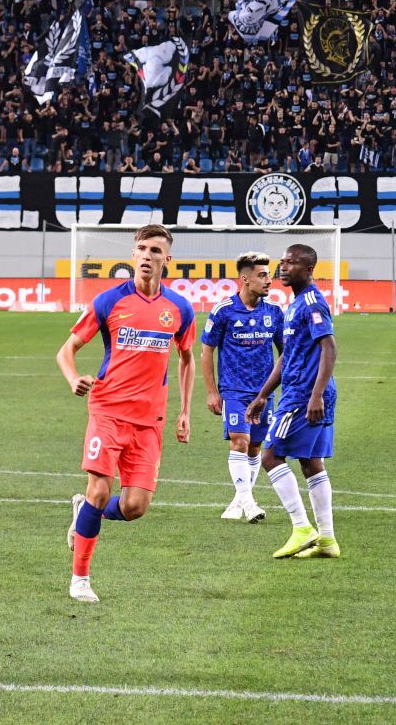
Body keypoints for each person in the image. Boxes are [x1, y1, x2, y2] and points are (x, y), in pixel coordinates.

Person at [60, 224, 195, 603]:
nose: (148, 256)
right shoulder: (109, 301)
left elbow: (186, 359)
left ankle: (85, 510)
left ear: (167, 259)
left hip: (150, 420)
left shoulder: (179, 309)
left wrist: (185, 411)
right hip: (107, 411)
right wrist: (73, 378)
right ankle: (80, 579)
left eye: (156, 250)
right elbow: (66, 350)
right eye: (143, 248)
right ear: (133, 254)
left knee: (135, 507)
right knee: (100, 489)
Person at [246, 244, 340, 559]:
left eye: (292, 262)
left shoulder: (312, 302)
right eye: (283, 261)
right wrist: (263, 395)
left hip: (303, 395)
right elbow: (288, 355)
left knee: (270, 456)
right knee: (311, 461)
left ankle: (302, 528)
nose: (283, 267)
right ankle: (327, 540)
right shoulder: (295, 304)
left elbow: (329, 347)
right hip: (306, 392)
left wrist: (315, 394)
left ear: (309, 269)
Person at [201, 252, 283, 524]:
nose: (269, 280)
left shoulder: (274, 311)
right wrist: (212, 392)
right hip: (234, 390)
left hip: (264, 393)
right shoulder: (223, 310)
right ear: (245, 279)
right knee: (240, 441)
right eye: (262, 275)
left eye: (269, 275)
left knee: (255, 447)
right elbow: (207, 350)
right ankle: (249, 503)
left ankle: (238, 502)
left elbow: (286, 351)